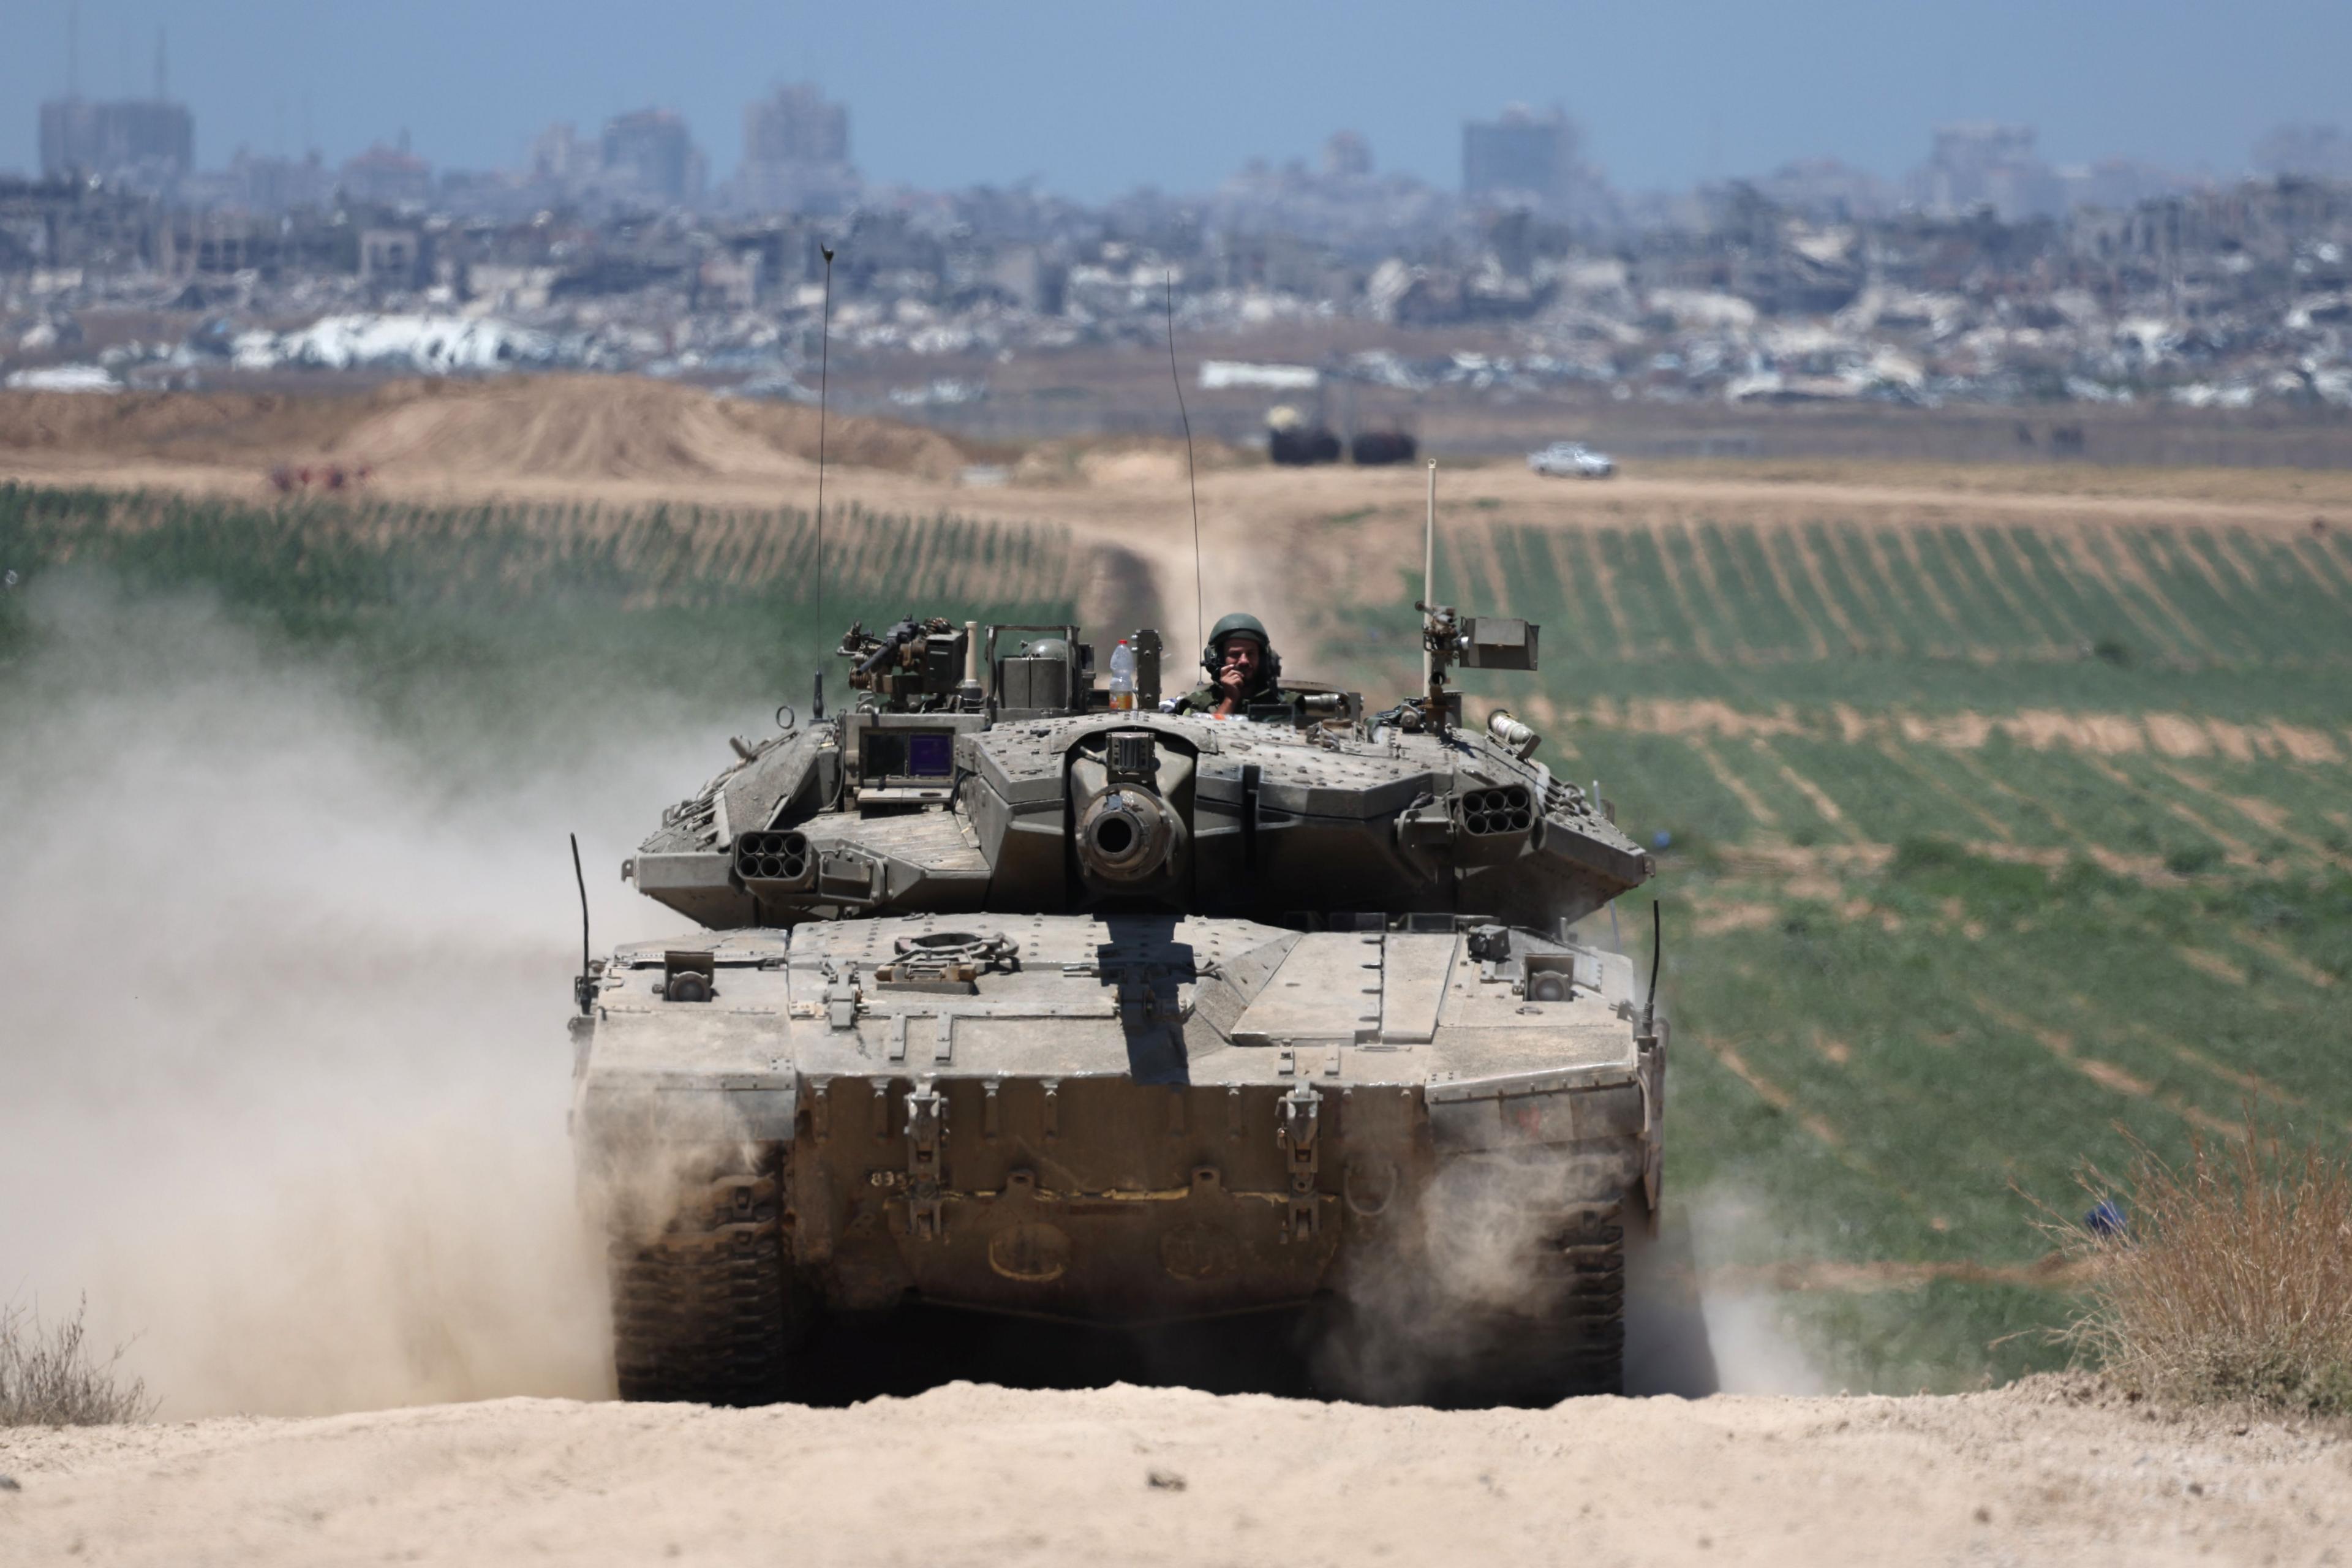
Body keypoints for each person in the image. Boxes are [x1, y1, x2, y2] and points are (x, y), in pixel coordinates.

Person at [1169, 612, 1289, 718]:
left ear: (1264, 659)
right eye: (1235, 654)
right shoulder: (1198, 705)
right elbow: (1204, 738)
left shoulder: (1286, 703)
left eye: (1251, 654)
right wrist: (1230, 700)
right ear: (1217, 659)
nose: (1244, 661)